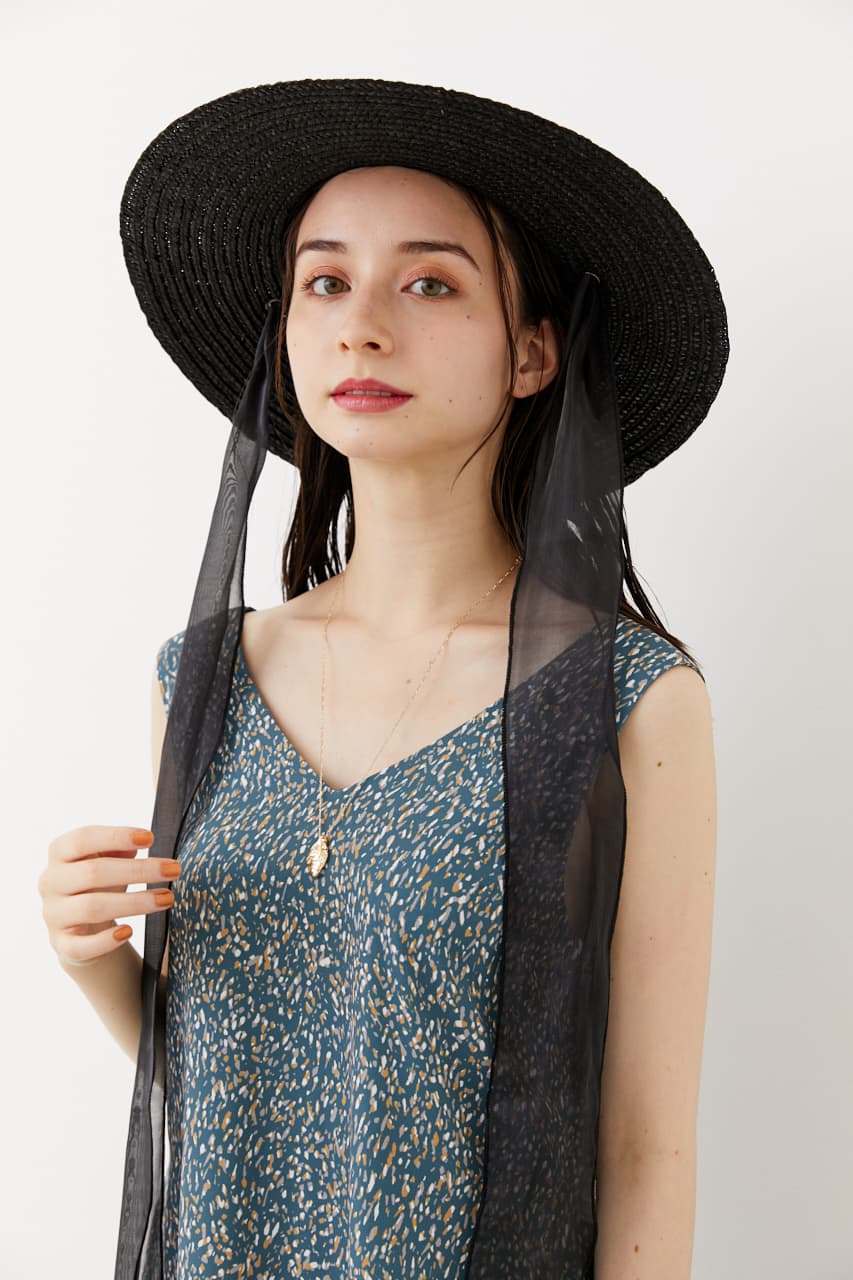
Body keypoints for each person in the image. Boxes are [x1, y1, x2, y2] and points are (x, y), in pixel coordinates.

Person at [38, 80, 725, 1279]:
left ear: (532, 351)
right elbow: (248, 1074)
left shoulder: (624, 696)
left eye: (429, 283)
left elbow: (645, 1145)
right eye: (324, 281)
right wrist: (95, 957)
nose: (359, 325)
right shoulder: (202, 677)